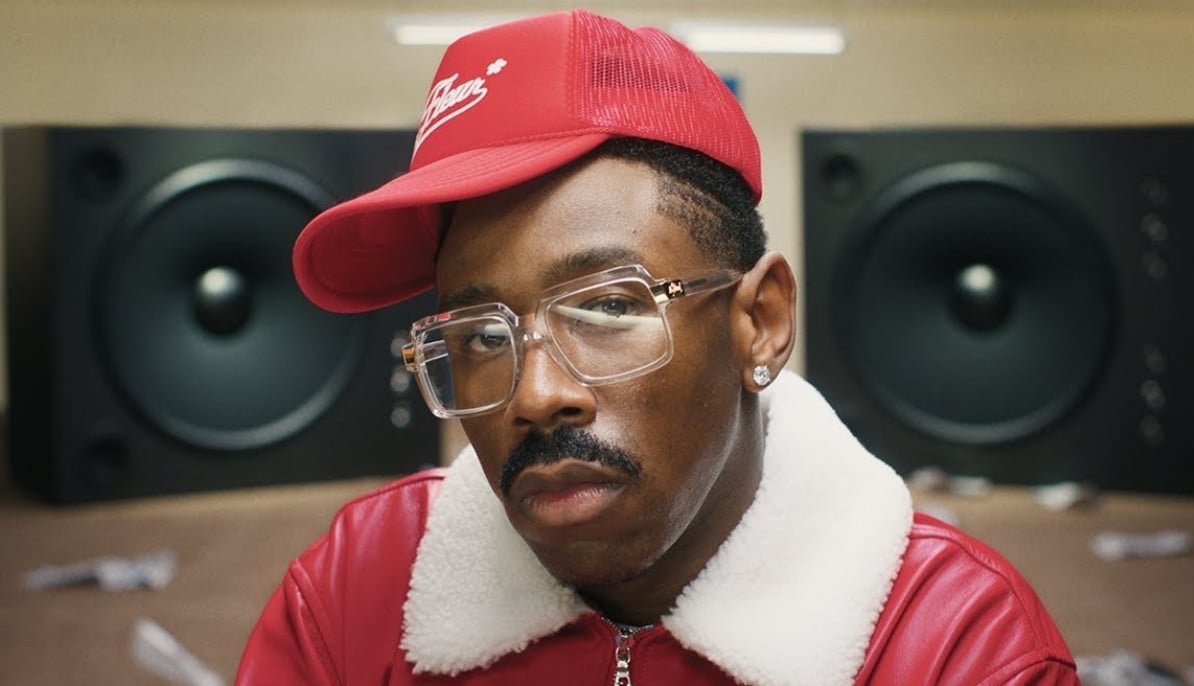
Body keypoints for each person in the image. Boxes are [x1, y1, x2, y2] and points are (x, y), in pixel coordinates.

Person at [236, 10, 1079, 685]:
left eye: (607, 306)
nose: (535, 397)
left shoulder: (959, 648)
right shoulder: (352, 585)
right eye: (483, 334)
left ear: (761, 323)